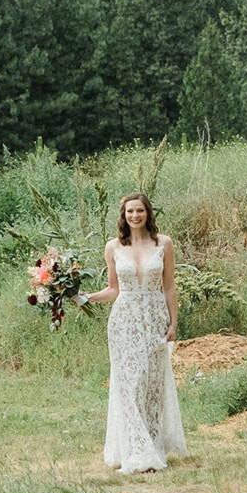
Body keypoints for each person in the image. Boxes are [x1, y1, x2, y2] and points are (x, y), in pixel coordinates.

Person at [83, 192, 187, 473]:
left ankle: (152, 446)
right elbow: (113, 289)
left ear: (147, 213)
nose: (135, 216)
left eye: (139, 210)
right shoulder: (113, 247)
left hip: (154, 317)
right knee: (129, 384)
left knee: (152, 383)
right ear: (123, 215)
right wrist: (84, 297)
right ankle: (134, 449)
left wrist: (173, 323)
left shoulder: (163, 244)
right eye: (130, 211)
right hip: (124, 321)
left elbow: (169, 287)